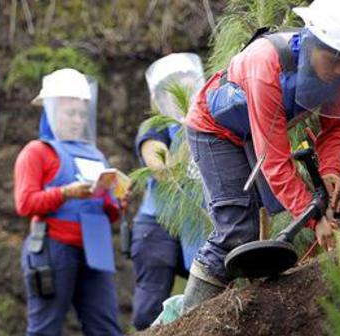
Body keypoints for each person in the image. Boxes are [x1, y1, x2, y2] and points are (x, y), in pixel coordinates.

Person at [182, 0, 340, 312]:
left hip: (257, 132)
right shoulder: (266, 65)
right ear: (310, 41)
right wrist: (314, 218)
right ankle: (190, 319)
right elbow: (276, 162)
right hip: (215, 131)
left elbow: (336, 127)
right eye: (332, 59)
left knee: (280, 209)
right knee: (237, 231)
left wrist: (331, 169)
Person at [14, 68, 123, 335]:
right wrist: (65, 193)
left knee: (106, 328)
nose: (77, 120)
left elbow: (111, 212)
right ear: (51, 112)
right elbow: (25, 203)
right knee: (45, 328)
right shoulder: (36, 151)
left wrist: (118, 199)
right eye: (69, 113)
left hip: (95, 249)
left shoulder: (96, 155)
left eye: (81, 114)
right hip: (53, 248)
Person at [130, 53, 207, 330]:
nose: (181, 95)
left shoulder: (212, 119)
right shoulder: (156, 128)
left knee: (206, 303)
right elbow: (161, 169)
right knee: (150, 306)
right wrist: (188, 137)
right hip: (158, 225)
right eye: (173, 90)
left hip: (200, 220)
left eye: (187, 87)